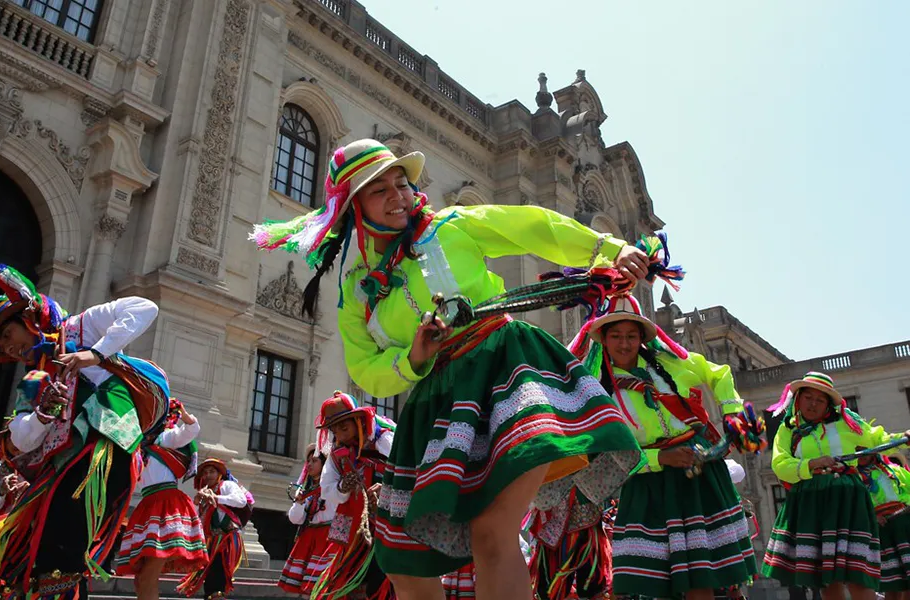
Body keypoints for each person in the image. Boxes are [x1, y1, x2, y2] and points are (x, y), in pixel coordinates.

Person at [252, 138, 648, 600]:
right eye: (378, 190)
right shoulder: (358, 291)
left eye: (400, 183)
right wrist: (413, 357)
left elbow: (530, 225)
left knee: (492, 531)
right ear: (353, 206)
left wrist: (605, 248)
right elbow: (364, 368)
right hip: (438, 402)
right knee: (399, 558)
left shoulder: (451, 226)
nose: (397, 195)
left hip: (502, 373)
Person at [0, 265, 169, 600]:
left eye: (7, 336)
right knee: (31, 556)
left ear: (26, 317)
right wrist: (43, 413)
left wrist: (95, 353)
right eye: (1, 347)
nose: (8, 348)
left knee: (60, 553)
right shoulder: (33, 380)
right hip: (59, 469)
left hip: (100, 453)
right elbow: (20, 439)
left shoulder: (81, 328)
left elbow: (145, 308)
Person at [567, 296, 758, 600]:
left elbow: (719, 373)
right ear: (603, 338)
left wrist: (733, 413)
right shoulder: (595, 389)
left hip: (697, 475)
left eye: (631, 336)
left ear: (642, 338)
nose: (624, 344)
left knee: (699, 577)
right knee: (649, 581)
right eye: (616, 336)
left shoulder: (672, 362)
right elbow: (605, 455)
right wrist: (660, 458)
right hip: (648, 482)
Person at [762, 372, 910, 600]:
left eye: (820, 400)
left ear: (829, 404)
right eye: (808, 397)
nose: (812, 404)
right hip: (811, 502)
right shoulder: (788, 429)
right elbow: (780, 464)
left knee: (856, 571)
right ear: (798, 399)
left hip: (848, 500)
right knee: (826, 577)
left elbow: (877, 440)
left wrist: (903, 437)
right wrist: (811, 464)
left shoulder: (848, 424)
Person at [114, 399, 208, 600]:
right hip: (148, 505)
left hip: (166, 504)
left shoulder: (164, 438)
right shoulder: (137, 448)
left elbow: (190, 430)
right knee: (140, 578)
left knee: (148, 574)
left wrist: (181, 412)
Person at [312, 391, 396, 600]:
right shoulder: (337, 456)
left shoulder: (383, 439)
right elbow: (326, 489)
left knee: (383, 575)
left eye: (344, 427)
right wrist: (342, 488)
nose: (340, 435)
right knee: (348, 575)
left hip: (388, 520)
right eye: (334, 430)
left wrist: (386, 487)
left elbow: (409, 469)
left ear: (358, 421)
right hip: (353, 527)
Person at [178, 458, 255, 600]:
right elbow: (198, 520)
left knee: (217, 577)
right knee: (210, 580)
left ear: (219, 474)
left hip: (227, 538)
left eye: (212, 471)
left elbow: (241, 501)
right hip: (211, 541)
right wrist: (196, 503)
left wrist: (216, 498)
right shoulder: (203, 494)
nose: (208, 475)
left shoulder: (227, 485)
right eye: (205, 473)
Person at [279, 443, 336, 595]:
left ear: (324, 463)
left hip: (327, 538)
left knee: (323, 585)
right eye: (308, 461)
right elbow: (295, 519)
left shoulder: (333, 485)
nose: (309, 464)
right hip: (309, 537)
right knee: (306, 588)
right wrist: (299, 502)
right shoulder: (305, 489)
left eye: (314, 460)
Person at [855, 445, 910, 600]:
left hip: (905, 525)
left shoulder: (894, 471)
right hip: (882, 531)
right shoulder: (854, 479)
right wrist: (872, 517)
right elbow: (854, 507)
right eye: (858, 451)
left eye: (866, 449)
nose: (863, 454)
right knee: (893, 584)